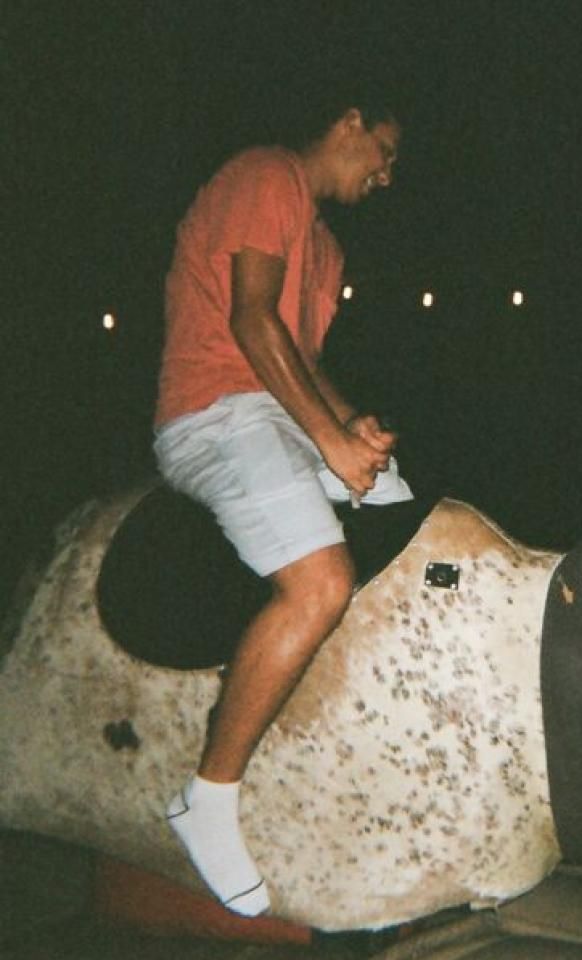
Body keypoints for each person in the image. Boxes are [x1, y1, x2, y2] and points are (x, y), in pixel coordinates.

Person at [152, 98, 413, 916]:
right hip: (212, 412)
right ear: (351, 120)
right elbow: (252, 323)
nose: (386, 174)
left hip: (270, 408)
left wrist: (351, 431)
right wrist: (327, 442)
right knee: (321, 582)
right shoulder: (269, 175)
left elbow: (300, 359)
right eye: (386, 151)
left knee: (405, 507)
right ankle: (209, 799)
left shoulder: (327, 248)